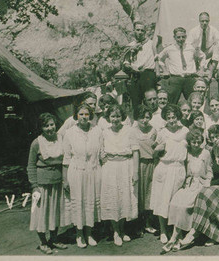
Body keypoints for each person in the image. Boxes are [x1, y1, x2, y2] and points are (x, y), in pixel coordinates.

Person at [163, 130, 213, 253]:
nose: (196, 144)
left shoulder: (206, 153)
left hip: (200, 184)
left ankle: (174, 237)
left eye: (198, 142)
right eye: (193, 142)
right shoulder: (187, 153)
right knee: (175, 203)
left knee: (184, 206)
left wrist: (208, 181)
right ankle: (177, 236)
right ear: (189, 143)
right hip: (188, 185)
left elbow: (210, 170)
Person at [27, 113, 69, 254]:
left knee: (55, 212)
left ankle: (54, 239)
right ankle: (43, 242)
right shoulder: (37, 143)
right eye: (46, 126)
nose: (50, 128)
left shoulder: (61, 139)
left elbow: (66, 161)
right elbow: (31, 166)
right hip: (42, 185)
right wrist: (34, 186)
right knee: (41, 214)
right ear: (41, 127)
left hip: (57, 183)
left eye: (52, 124)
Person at [62, 104, 102, 248]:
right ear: (76, 116)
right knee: (79, 202)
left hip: (93, 171)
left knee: (90, 201)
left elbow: (102, 153)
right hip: (76, 172)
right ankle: (79, 234)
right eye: (81, 114)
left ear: (90, 115)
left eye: (86, 114)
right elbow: (66, 159)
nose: (84, 117)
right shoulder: (70, 133)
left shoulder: (97, 131)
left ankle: (89, 234)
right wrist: (64, 179)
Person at [100, 105, 139, 246]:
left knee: (124, 198)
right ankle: (115, 231)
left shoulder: (129, 131)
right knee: (112, 198)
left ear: (122, 117)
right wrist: (103, 158)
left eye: (117, 116)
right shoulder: (104, 132)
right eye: (112, 116)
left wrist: (135, 172)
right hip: (110, 167)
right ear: (108, 118)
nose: (115, 119)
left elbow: (135, 152)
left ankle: (122, 230)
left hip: (125, 166)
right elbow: (100, 150)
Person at [150, 104, 189, 244]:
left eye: (174, 117)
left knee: (176, 201)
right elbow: (154, 153)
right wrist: (157, 149)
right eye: (169, 118)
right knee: (162, 201)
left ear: (178, 117)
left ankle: (175, 232)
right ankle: (163, 231)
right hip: (164, 168)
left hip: (178, 168)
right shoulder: (162, 132)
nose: (172, 120)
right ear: (165, 118)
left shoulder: (185, 131)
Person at [156, 27, 206, 104]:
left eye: (183, 37)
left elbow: (202, 56)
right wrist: (165, 70)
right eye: (178, 37)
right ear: (174, 37)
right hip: (175, 79)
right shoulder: (169, 49)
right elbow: (158, 58)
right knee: (172, 102)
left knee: (194, 101)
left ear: (186, 37)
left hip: (190, 79)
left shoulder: (191, 48)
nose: (181, 39)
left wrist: (202, 69)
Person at [130, 105, 158, 235]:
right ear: (137, 118)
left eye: (147, 117)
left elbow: (156, 148)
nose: (145, 120)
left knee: (149, 194)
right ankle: (137, 225)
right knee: (138, 194)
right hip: (138, 164)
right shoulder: (132, 131)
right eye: (142, 117)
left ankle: (148, 223)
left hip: (151, 164)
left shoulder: (153, 130)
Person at [122, 20, 158, 120]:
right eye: (138, 30)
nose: (140, 32)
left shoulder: (151, 44)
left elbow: (157, 59)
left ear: (145, 31)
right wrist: (129, 66)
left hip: (148, 74)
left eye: (142, 30)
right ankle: (138, 123)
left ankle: (153, 121)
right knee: (136, 101)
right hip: (135, 75)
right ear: (134, 31)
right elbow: (125, 62)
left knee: (150, 100)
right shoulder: (130, 46)